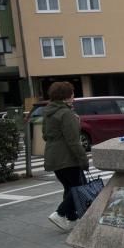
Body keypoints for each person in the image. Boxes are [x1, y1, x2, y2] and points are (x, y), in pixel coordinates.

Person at [43, 81, 89, 232]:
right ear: (66, 97)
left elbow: (45, 135)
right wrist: (83, 160)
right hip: (67, 157)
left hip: (53, 156)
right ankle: (60, 213)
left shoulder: (49, 113)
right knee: (79, 187)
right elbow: (73, 141)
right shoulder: (66, 114)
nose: (74, 97)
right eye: (72, 94)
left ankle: (71, 218)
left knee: (69, 188)